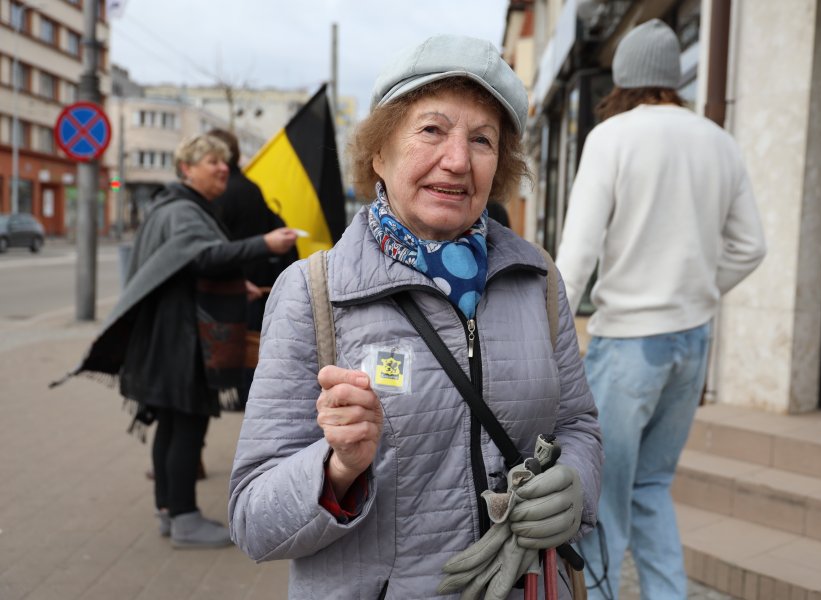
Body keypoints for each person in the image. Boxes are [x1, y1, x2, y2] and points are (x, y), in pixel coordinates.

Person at [228, 34, 604, 599]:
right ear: (379, 152)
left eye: (482, 139)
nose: (457, 160)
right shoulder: (313, 292)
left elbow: (578, 426)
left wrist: (576, 485)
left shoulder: (538, 280)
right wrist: (337, 469)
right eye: (431, 130)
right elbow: (252, 516)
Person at [555, 19, 767, 599]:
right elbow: (752, 247)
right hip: (692, 342)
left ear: (623, 76)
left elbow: (576, 258)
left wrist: (544, 341)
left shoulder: (613, 138)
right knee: (650, 489)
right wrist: (696, 289)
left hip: (628, 345)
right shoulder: (718, 140)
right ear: (673, 77)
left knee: (599, 500)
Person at [56, 133, 298, 548]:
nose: (223, 168)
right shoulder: (185, 210)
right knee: (186, 424)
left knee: (170, 424)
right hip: (181, 339)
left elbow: (184, 269)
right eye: (211, 162)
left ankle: (168, 510)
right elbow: (202, 257)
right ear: (186, 168)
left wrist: (239, 285)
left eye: (224, 162)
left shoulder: (171, 207)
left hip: (167, 335)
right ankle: (185, 519)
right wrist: (265, 244)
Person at [208, 127, 299, 407]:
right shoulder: (251, 188)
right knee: (252, 348)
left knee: (235, 349)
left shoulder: (219, 194)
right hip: (259, 284)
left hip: (231, 285)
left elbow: (215, 249)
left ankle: (238, 399)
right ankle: (250, 400)